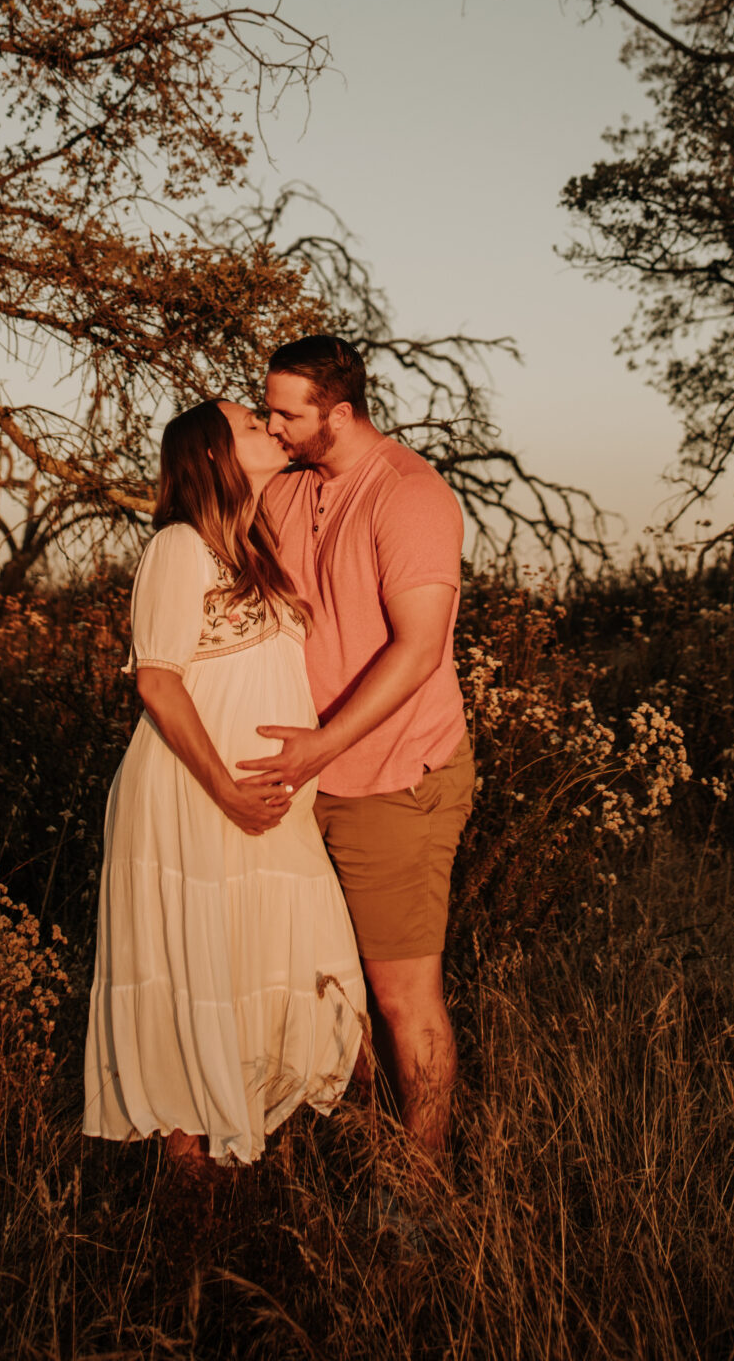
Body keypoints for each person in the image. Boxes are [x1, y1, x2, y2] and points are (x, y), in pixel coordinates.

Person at [83, 397, 366, 1170]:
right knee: (198, 971)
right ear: (213, 456)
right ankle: (189, 1223)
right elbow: (158, 683)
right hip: (193, 798)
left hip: (266, 811)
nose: (271, 431)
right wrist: (225, 791)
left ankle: (250, 1172)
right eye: (251, 426)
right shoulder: (178, 547)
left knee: (290, 966)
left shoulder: (255, 552)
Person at [239, 335, 473, 1165]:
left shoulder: (408, 495)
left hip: (393, 777)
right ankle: (349, 1152)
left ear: (338, 415)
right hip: (309, 779)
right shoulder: (290, 490)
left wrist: (317, 748)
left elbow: (416, 650)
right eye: (265, 408)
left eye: (285, 413)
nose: (271, 425)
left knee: (401, 994)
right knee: (322, 986)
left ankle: (421, 1185)